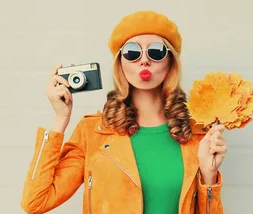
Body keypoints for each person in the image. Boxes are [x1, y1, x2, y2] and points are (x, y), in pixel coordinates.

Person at [20, 10, 228, 214]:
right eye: (132, 52)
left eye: (156, 51)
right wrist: (60, 120)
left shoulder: (197, 134)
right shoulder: (93, 133)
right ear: (120, 63)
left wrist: (209, 176)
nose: (144, 60)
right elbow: (35, 202)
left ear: (170, 63)